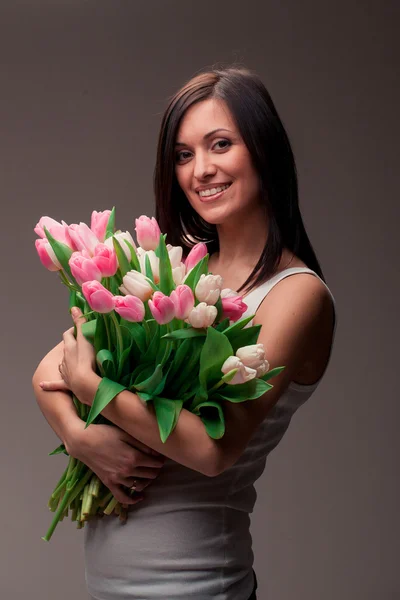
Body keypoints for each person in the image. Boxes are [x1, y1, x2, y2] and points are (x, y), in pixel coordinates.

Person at [32, 65, 337, 600]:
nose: (201, 169)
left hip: (196, 586)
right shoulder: (176, 270)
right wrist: (81, 438)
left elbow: (212, 449)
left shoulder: (297, 294)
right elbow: (45, 373)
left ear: (263, 150)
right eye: (183, 154)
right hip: (108, 587)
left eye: (221, 144)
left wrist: (89, 390)